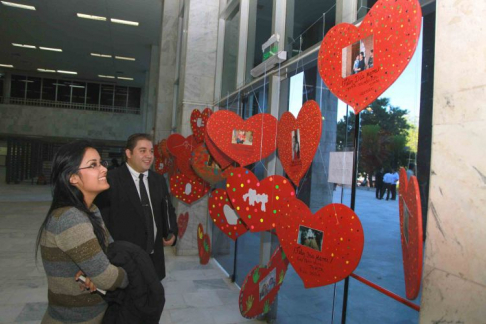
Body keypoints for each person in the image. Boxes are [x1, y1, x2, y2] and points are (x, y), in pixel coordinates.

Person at [36, 140, 128, 323]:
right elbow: (108, 278)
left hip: (96, 312)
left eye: (101, 163)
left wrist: (96, 273)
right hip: (74, 319)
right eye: (93, 165)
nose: (103, 169)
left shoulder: (91, 209)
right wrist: (126, 274)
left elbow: (111, 250)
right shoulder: (70, 219)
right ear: (73, 177)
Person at [95, 133, 177, 282]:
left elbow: (168, 209)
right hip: (125, 260)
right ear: (129, 153)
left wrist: (171, 231)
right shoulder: (111, 180)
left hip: (154, 259)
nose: (149, 155)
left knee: (154, 301)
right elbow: (101, 220)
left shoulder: (158, 180)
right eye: (143, 150)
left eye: (151, 151)